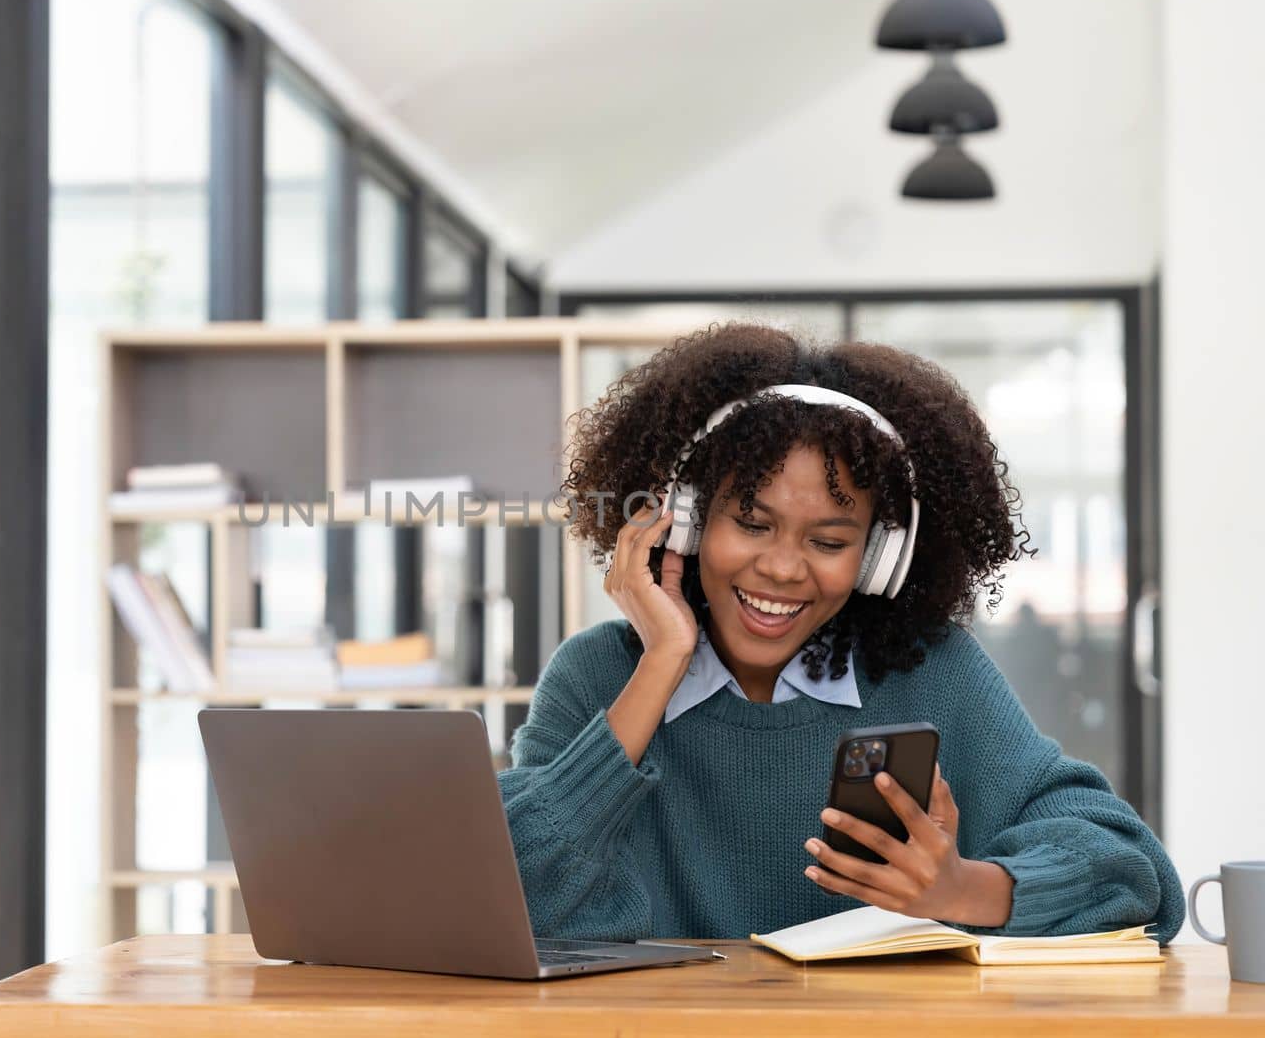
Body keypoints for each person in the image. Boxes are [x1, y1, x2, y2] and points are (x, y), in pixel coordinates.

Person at [497, 323, 1184, 943]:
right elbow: (506, 894)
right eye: (752, 523)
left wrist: (964, 888)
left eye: (829, 539)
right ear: (686, 520)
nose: (782, 567)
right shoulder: (597, 675)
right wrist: (660, 667)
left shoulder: (929, 671)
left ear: (879, 558)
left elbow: (1131, 871)